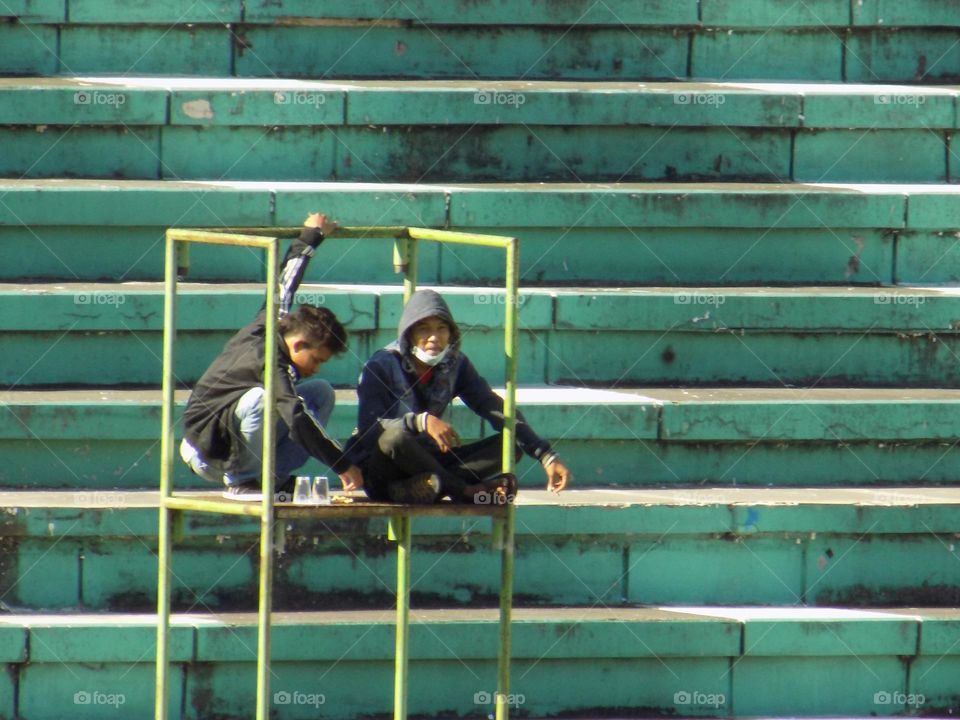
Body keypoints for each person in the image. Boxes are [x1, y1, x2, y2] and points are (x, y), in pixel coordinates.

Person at [179, 213, 364, 500]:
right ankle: (243, 481)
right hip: (207, 450)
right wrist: (341, 463)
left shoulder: (273, 322)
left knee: (321, 393)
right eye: (316, 360)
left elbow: (284, 285)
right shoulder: (270, 359)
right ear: (299, 345)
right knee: (263, 399)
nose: (315, 368)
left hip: (237, 436)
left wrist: (311, 237)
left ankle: (273, 478)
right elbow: (295, 416)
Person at [345, 289, 571, 504]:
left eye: (441, 329)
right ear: (409, 335)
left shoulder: (455, 364)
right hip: (382, 467)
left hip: (429, 463)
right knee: (394, 437)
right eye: (423, 329)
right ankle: (463, 490)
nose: (434, 337)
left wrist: (545, 455)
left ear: (451, 334)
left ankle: (423, 488)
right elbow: (369, 430)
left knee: (509, 447)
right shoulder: (381, 365)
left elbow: (492, 406)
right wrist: (420, 422)